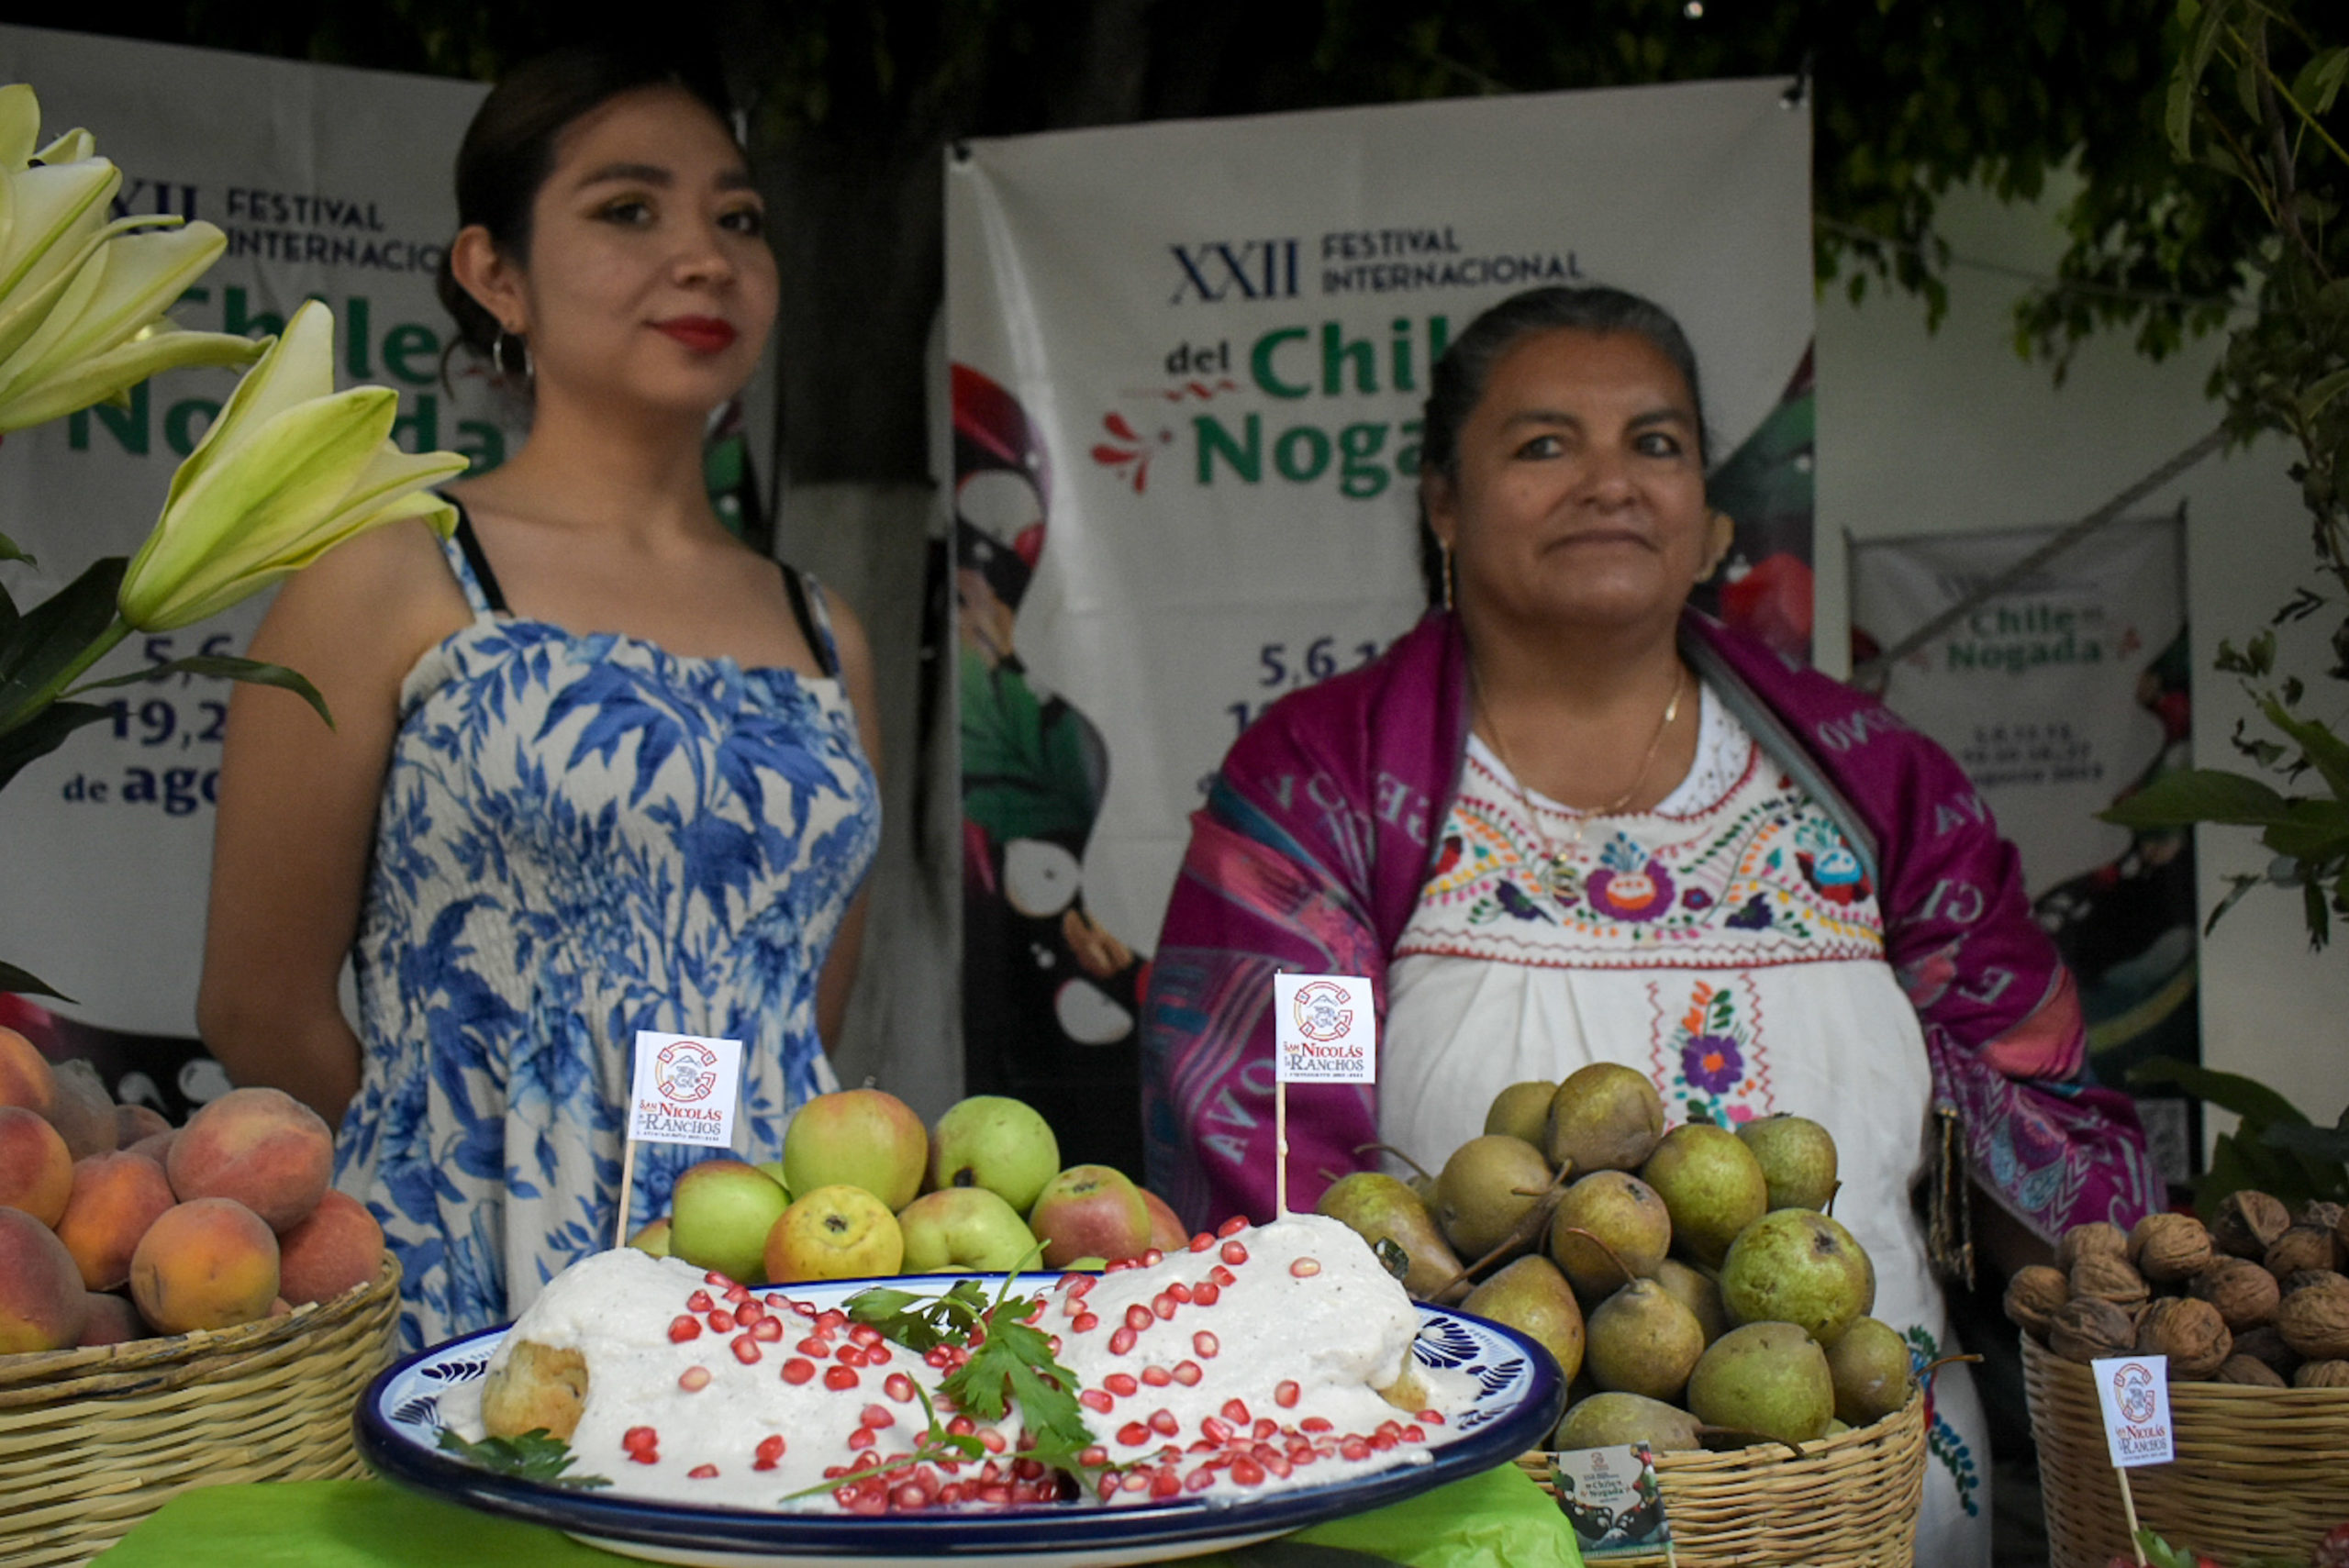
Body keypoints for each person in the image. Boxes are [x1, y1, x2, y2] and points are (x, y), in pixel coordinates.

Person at [1141, 284, 2161, 1565]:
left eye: (1656, 443)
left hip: (1872, 1503)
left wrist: (2142, 1383)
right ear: (1443, 506)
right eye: (1543, 443)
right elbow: (1277, 1151)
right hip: (1483, 1516)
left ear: (1709, 520)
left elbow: (2049, 1123)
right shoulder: (1328, 783)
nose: (1610, 481)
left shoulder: (1876, 780)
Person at [199, 50, 883, 1348]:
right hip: (454, 1296)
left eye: (738, 219)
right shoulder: (392, 570)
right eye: (629, 210)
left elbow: (797, 1022)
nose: (703, 256)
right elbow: (256, 1001)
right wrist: (440, 1198)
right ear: (493, 272)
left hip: (776, 1308)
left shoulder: (825, 629)